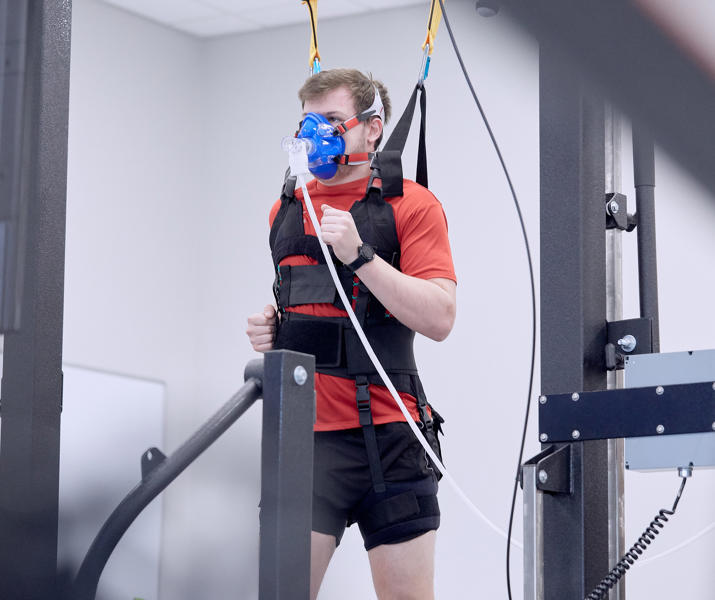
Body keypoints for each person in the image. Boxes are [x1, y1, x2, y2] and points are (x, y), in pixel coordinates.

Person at [246, 68, 456, 600]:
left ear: (372, 129)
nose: (316, 134)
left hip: (391, 435)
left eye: (333, 122)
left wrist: (360, 256)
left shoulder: (411, 205)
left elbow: (440, 318)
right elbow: (311, 307)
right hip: (306, 441)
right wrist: (274, 331)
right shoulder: (287, 209)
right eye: (308, 123)